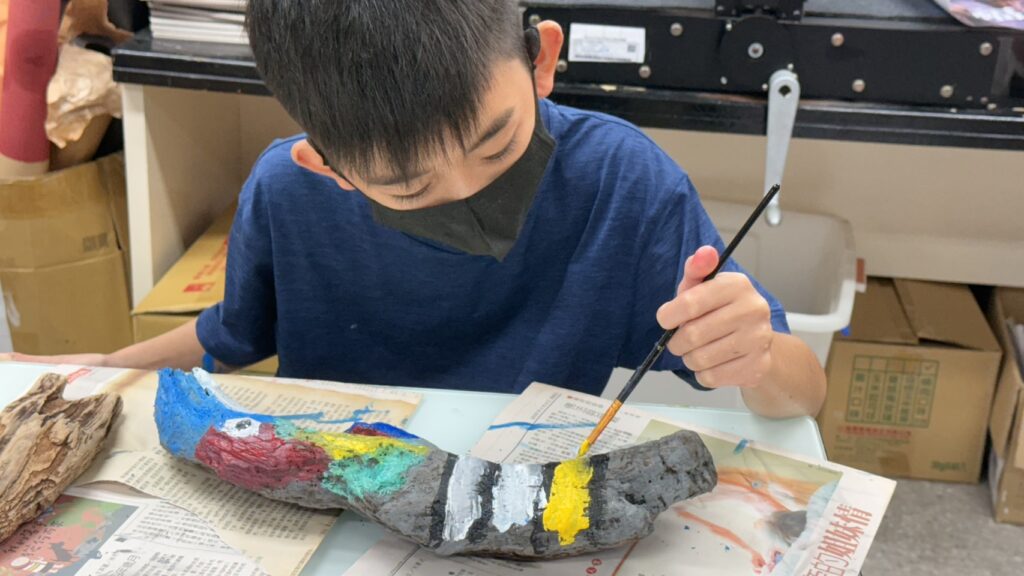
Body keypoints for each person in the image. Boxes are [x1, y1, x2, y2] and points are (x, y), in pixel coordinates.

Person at [15, 0, 825, 418]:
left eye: (497, 145)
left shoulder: (620, 183)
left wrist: (754, 354)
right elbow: (230, 336)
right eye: (408, 188)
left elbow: (805, 392)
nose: (469, 195)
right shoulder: (288, 195)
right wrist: (92, 369)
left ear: (541, 58)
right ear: (327, 166)